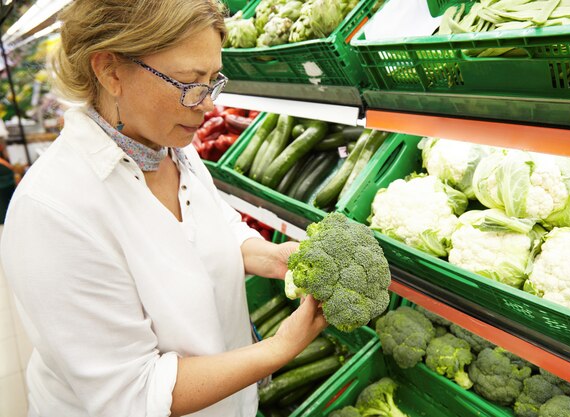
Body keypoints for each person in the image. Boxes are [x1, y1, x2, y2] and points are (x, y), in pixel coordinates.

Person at [0, 1, 327, 416]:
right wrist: (281, 347)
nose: (208, 104)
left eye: (213, 80)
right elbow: (133, 393)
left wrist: (268, 255)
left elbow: (210, 225)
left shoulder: (168, 147)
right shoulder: (52, 211)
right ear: (110, 70)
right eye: (190, 82)